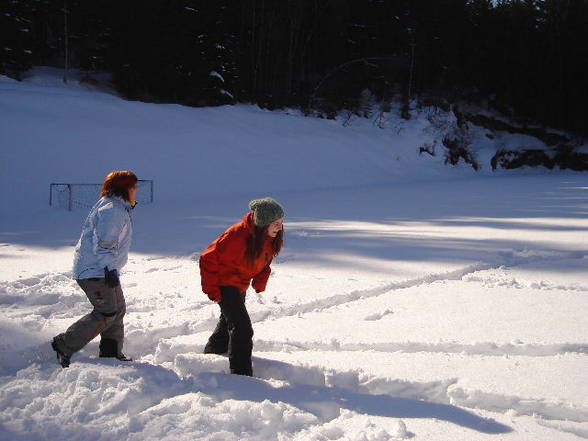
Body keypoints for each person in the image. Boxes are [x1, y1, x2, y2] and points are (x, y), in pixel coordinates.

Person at [51, 170, 139, 368]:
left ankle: (110, 353)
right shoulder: (112, 210)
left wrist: (111, 268)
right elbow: (105, 243)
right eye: (134, 186)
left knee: (117, 309)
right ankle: (64, 344)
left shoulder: (115, 206)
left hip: (103, 268)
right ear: (125, 188)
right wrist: (109, 268)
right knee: (107, 311)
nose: (137, 190)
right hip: (96, 271)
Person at [199, 197, 284, 376]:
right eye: (275, 223)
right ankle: (241, 374)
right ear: (263, 223)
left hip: (240, 283)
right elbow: (207, 258)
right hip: (224, 283)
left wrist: (260, 280)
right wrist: (212, 290)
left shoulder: (266, 236)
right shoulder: (237, 236)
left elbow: (264, 260)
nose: (280, 226)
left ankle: (212, 354)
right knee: (242, 328)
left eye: (281, 222)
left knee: (227, 322)